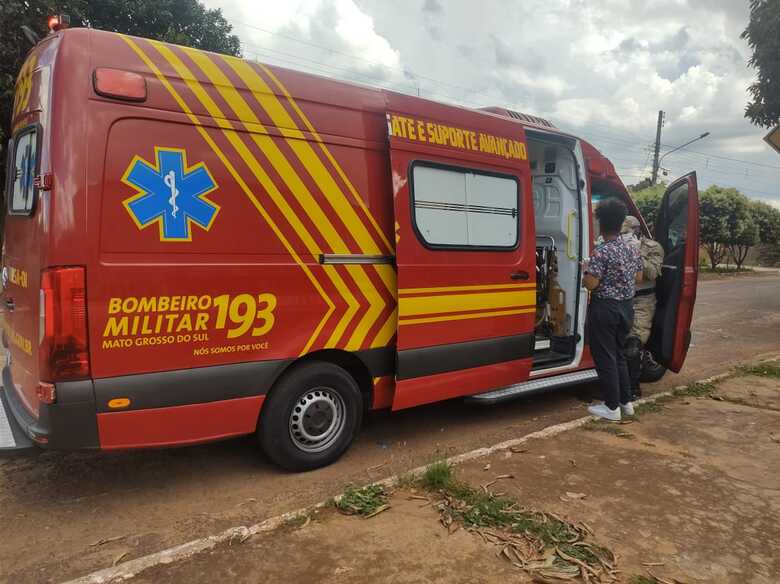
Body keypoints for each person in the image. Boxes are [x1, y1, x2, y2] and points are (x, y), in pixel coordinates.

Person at [582, 199, 643, 422]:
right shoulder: (631, 250)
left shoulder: (601, 252)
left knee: (605, 357)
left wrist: (584, 271)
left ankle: (610, 407)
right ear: (620, 223)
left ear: (600, 223)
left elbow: (591, 284)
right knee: (618, 354)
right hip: (626, 308)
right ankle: (626, 403)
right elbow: (639, 277)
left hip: (605, 308)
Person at [622, 216, 664, 400]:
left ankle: (632, 389)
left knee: (633, 345)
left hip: (642, 301)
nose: (623, 236)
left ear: (637, 230)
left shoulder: (653, 247)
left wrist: (635, 251)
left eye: (626, 232)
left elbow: (652, 273)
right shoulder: (616, 244)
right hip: (621, 298)